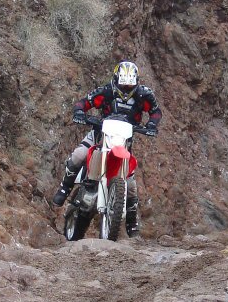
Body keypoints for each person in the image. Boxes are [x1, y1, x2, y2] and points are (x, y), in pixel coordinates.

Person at [52, 60, 161, 237]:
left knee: (131, 184)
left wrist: (151, 124)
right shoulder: (106, 91)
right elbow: (83, 103)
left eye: (129, 85)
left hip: (123, 141)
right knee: (79, 155)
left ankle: (132, 223)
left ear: (136, 82)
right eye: (123, 84)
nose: (126, 89)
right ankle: (64, 189)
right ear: (116, 79)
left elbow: (156, 112)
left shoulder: (144, 95)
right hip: (99, 134)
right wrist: (80, 113)